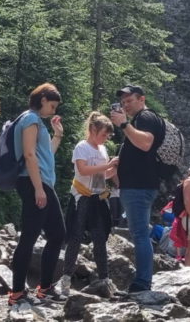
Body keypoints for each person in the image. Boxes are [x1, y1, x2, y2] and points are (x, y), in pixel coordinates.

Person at [8, 83, 66, 307]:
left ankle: (44, 288)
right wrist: (39, 188)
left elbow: (44, 155)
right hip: (35, 183)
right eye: (52, 105)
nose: (53, 110)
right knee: (30, 236)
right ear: (42, 99)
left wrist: (57, 136)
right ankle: (17, 292)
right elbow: (29, 155)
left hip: (41, 183)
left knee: (57, 233)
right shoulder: (31, 120)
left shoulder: (35, 121)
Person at [60, 112, 119, 296]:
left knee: (100, 238)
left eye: (108, 136)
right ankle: (65, 280)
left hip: (97, 198)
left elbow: (102, 176)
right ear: (93, 130)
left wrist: (113, 169)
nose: (105, 138)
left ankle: (104, 279)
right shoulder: (82, 147)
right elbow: (83, 170)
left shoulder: (102, 149)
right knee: (75, 238)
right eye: (103, 134)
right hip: (81, 197)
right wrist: (107, 165)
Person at [111, 85, 162, 293]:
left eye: (129, 101)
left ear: (142, 99)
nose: (125, 105)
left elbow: (146, 143)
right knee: (140, 232)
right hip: (141, 185)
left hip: (138, 186)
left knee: (140, 234)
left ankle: (142, 282)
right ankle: (143, 280)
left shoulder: (146, 117)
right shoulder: (142, 119)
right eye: (123, 103)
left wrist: (123, 124)